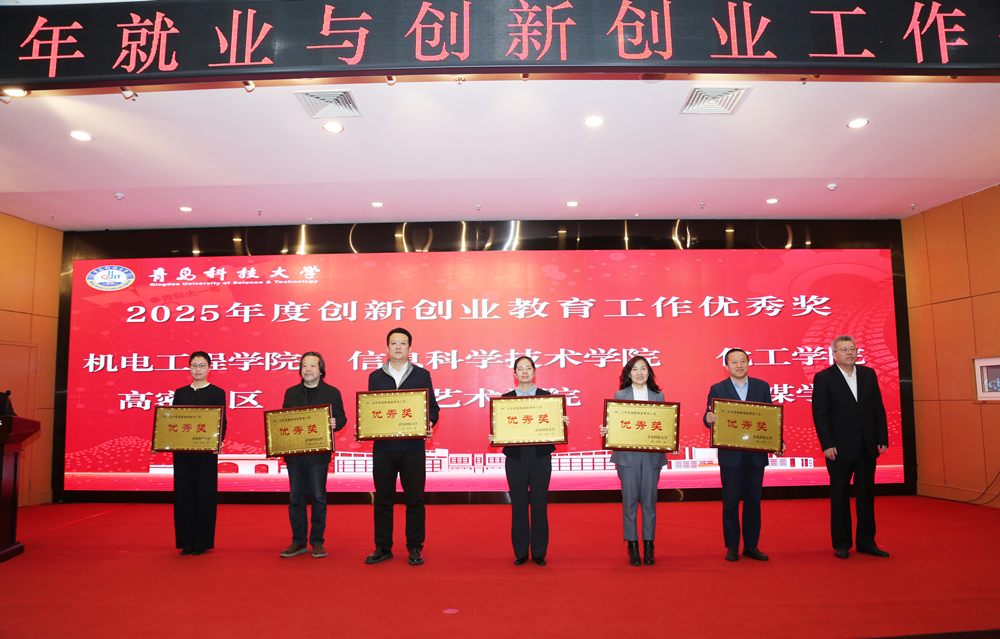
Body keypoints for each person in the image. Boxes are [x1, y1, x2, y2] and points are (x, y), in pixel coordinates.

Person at [364, 328, 440, 566]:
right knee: (383, 500)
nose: (398, 347)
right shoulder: (375, 377)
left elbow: (433, 408)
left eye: (403, 343)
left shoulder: (422, 375)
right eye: (394, 343)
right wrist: (365, 424)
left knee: (414, 499)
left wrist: (429, 423)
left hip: (412, 447)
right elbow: (370, 409)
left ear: (410, 348)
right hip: (383, 448)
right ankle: (383, 547)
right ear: (387, 347)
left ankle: (415, 547)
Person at [812, 335, 889, 559]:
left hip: (866, 445)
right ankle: (842, 543)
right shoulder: (824, 377)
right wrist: (827, 443)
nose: (849, 353)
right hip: (838, 448)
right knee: (840, 496)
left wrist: (881, 437)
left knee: (866, 496)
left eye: (852, 348)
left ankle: (867, 542)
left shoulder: (868, 374)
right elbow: (820, 414)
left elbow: (878, 408)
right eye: (844, 349)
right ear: (834, 354)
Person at [703, 348, 784, 562]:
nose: (739, 365)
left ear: (748, 364)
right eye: (734, 362)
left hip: (756, 455)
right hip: (731, 455)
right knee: (730, 503)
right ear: (726, 366)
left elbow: (769, 418)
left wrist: (777, 440)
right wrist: (709, 418)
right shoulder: (718, 388)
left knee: (753, 502)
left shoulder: (761, 386)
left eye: (743, 361)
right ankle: (732, 546)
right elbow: (708, 417)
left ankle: (751, 546)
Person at [494, 356, 569, 566]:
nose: (525, 372)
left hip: (540, 458)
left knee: (539, 505)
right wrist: (495, 435)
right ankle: (520, 552)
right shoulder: (506, 400)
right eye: (520, 368)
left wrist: (561, 423)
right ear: (515, 374)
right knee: (518, 506)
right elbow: (501, 428)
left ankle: (538, 552)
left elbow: (553, 427)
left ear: (535, 372)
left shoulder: (548, 398)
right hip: (515, 459)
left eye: (528, 368)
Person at [279, 352, 347, 559]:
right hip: (295, 454)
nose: (308, 369)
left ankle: (317, 542)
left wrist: (336, 423)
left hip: (318, 455)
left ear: (321, 370)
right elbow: (282, 421)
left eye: (312, 366)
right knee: (296, 498)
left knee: (318, 497)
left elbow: (342, 418)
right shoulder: (291, 393)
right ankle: (298, 541)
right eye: (304, 366)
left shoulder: (332, 392)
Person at [604, 356, 667, 566]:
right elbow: (616, 424)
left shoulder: (658, 396)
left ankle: (649, 545)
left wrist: (670, 440)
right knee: (629, 503)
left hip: (651, 457)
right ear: (628, 374)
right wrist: (607, 430)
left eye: (643, 369)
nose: (639, 373)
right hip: (627, 457)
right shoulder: (620, 395)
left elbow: (665, 425)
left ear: (649, 373)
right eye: (635, 369)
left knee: (649, 503)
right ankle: (632, 545)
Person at [171, 351, 226, 556]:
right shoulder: (180, 393)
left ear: (209, 368)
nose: (198, 369)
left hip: (206, 452)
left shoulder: (217, 392)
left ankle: (202, 542)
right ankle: (186, 542)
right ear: (189, 368)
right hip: (183, 452)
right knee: (183, 496)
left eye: (202, 365)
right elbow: (172, 421)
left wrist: (218, 441)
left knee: (205, 495)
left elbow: (221, 421)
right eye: (194, 365)